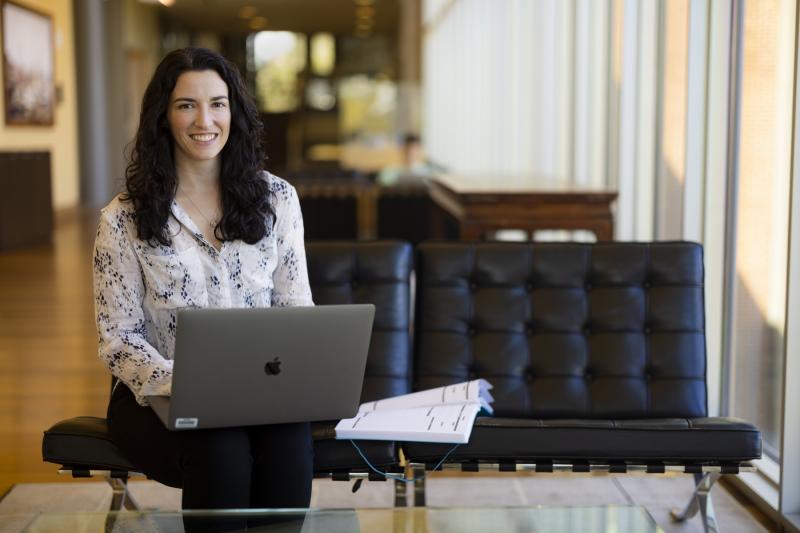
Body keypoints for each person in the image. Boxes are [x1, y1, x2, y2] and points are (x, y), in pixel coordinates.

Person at [93, 47, 314, 530]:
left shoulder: (278, 200)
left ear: (233, 111)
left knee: (288, 445)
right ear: (163, 116)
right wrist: (187, 386)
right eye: (185, 105)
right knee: (222, 449)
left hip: (262, 391)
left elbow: (296, 311)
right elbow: (119, 338)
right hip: (157, 398)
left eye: (217, 103)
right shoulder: (123, 218)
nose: (204, 120)